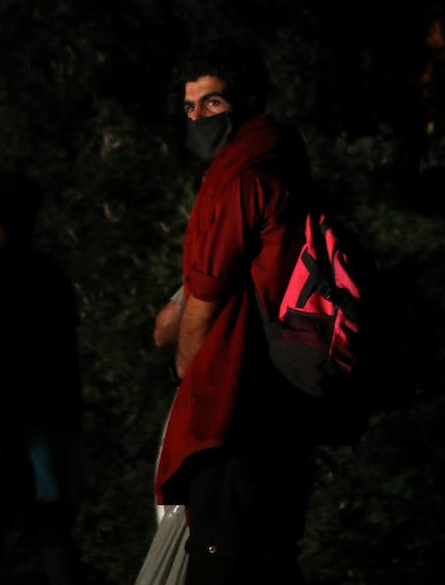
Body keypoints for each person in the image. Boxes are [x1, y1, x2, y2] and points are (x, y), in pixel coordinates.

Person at [152, 38, 316, 584]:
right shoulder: (281, 158)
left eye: (212, 103)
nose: (198, 117)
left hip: (234, 399)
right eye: (189, 107)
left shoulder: (242, 177)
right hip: (278, 393)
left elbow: (208, 293)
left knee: (223, 560)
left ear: (243, 102)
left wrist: (187, 372)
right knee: (267, 557)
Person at [0, 168, 84, 585]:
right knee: (39, 519)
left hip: (11, 415)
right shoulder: (52, 272)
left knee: (24, 524)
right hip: (56, 411)